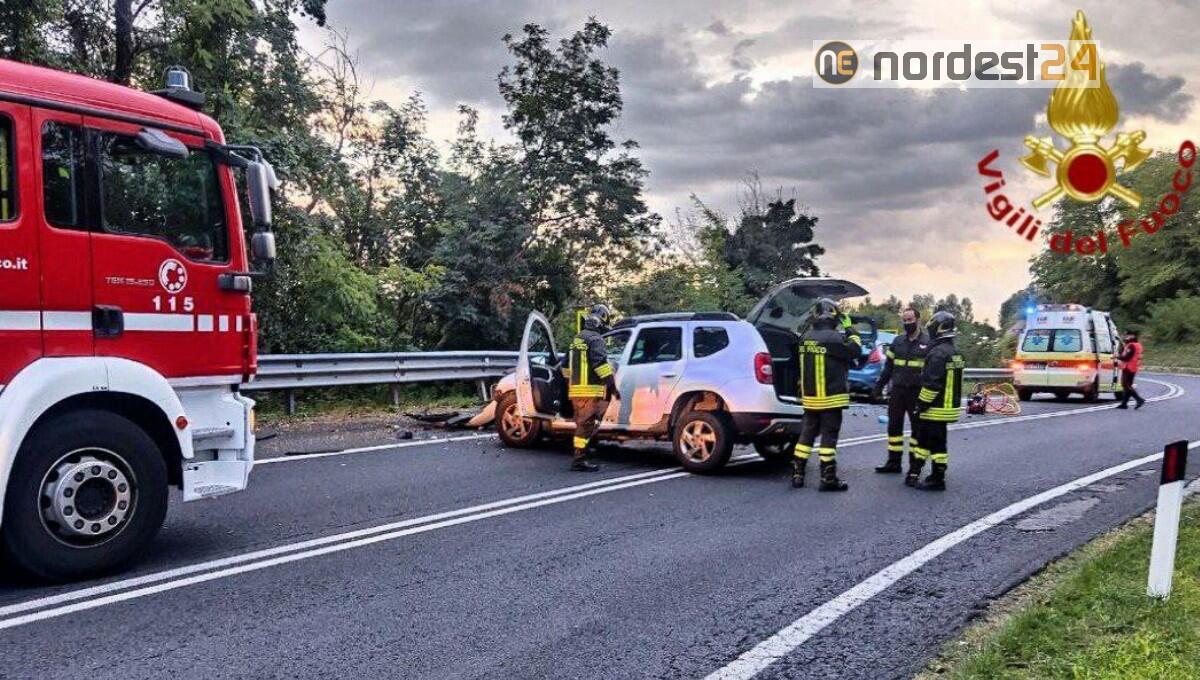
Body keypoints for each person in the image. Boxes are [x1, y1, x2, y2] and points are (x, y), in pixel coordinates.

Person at [792, 299, 863, 491]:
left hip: (810, 398)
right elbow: (856, 350)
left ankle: (797, 475)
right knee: (828, 438)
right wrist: (850, 328)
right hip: (831, 398)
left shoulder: (805, 337)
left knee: (806, 435)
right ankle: (828, 478)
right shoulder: (834, 338)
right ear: (834, 316)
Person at [908, 311, 964, 491]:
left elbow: (932, 385)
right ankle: (917, 473)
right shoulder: (955, 352)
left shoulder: (938, 353)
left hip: (936, 407)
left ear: (938, 329)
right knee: (930, 440)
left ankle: (936, 478)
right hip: (949, 406)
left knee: (931, 442)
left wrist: (920, 405)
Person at [872, 308, 930, 474]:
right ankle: (893, 463)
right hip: (897, 392)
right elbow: (888, 368)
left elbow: (932, 371)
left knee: (917, 430)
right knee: (894, 427)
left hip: (917, 393)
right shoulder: (897, 342)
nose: (907, 323)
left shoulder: (928, 343)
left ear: (918, 320)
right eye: (904, 320)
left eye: (910, 320)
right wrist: (878, 387)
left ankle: (914, 466)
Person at [567, 304, 619, 472]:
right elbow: (600, 365)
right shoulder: (596, 339)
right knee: (586, 426)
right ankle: (579, 460)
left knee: (582, 424)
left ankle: (584, 452)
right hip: (588, 390)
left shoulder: (578, 338)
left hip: (575, 390)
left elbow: (567, 364)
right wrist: (612, 386)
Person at [1116, 330, 1146, 409]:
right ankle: (1124, 404)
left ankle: (1139, 399)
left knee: (1125, 384)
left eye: (1128, 335)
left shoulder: (1131, 345)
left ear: (1133, 336)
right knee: (1128, 385)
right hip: (1134, 367)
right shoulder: (1138, 345)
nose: (1126, 337)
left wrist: (1117, 357)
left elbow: (1126, 357)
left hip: (1128, 367)